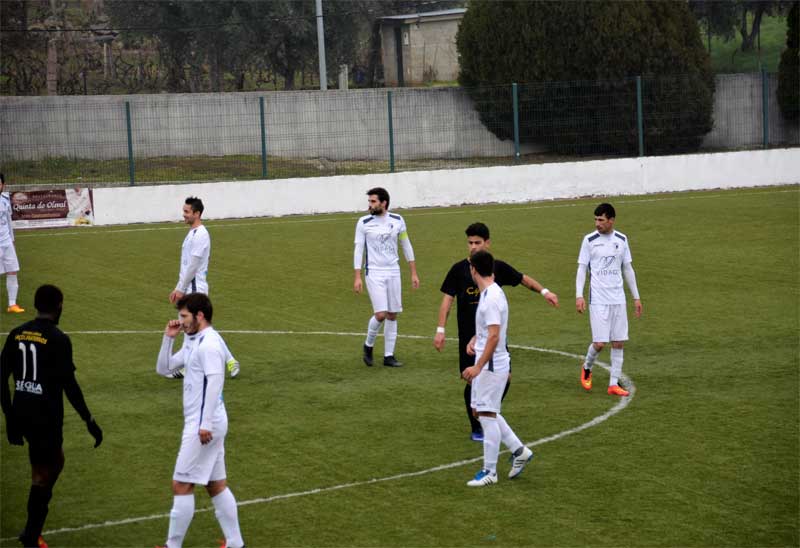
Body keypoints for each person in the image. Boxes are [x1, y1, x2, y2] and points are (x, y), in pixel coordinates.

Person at [434, 222, 559, 441]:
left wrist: (544, 291)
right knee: (473, 379)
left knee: (505, 377)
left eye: (477, 243)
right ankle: (477, 425)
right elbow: (447, 301)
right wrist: (440, 329)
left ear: (487, 243)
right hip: (469, 338)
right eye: (470, 243)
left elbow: (522, 279)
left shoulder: (497, 268)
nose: (473, 247)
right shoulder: (458, 269)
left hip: (493, 336)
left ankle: (487, 412)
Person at [1, 284, 103, 548]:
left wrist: (10, 419)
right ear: (59, 306)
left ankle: (32, 531)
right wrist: (88, 420)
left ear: (36, 305)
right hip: (45, 416)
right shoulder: (58, 339)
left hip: (22, 411)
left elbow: (1, 380)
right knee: (48, 470)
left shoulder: (16, 334)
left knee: (44, 465)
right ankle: (31, 534)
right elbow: (70, 385)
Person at [156, 293, 244, 548]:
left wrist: (204, 424)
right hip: (205, 422)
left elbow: (216, 383)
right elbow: (164, 369)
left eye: (184, 316)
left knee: (181, 483)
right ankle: (236, 543)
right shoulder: (193, 341)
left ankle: (172, 546)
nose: (180, 321)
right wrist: (167, 339)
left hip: (205, 425)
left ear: (200, 315)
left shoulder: (210, 345)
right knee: (216, 485)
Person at [461, 251, 533, 487]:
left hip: (490, 365)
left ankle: (490, 471)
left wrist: (478, 367)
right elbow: (489, 331)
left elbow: (494, 336)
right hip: (489, 361)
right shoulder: (490, 292)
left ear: (474, 269)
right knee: (481, 411)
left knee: (486, 415)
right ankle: (518, 450)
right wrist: (474, 340)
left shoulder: (491, 297)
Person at [167, 196, 239, 379]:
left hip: (194, 290)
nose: (183, 215)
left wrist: (180, 288)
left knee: (196, 327)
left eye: (187, 212)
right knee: (192, 328)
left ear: (197, 214)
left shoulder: (201, 234)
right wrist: (179, 287)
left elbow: (193, 264)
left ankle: (229, 360)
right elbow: (187, 265)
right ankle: (191, 364)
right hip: (189, 288)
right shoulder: (193, 233)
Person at [576, 203, 642, 397]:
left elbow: (628, 269)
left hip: (618, 298)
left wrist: (636, 297)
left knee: (619, 342)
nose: (597, 224)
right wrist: (579, 295)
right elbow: (581, 268)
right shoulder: (589, 241)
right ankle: (587, 367)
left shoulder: (622, 240)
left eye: (601, 220)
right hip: (598, 299)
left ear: (611, 220)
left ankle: (613, 384)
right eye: (595, 220)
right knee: (599, 343)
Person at [353, 187, 419, 367]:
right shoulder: (363, 222)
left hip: (393, 271)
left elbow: (406, 244)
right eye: (369, 201)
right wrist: (357, 276)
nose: (370, 205)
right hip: (374, 272)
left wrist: (413, 272)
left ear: (384, 203)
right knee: (381, 314)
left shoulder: (398, 220)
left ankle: (389, 356)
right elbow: (359, 249)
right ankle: (368, 345)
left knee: (392, 314)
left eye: (373, 201)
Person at [0, 173, 25, 313]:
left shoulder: (5, 199)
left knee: (12, 271)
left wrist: (12, 239)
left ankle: (12, 304)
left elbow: (8, 221)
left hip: (6, 241)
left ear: (3, 185)